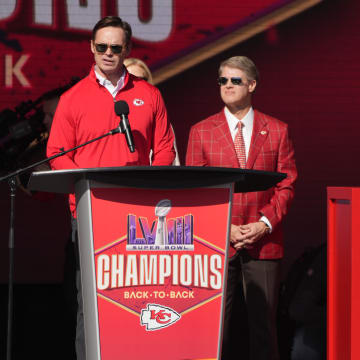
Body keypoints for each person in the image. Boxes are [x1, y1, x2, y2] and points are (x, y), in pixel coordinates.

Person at [46, 16, 176, 360]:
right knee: (90, 304)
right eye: (101, 46)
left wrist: (148, 191)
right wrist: (89, 189)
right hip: (89, 215)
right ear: (91, 47)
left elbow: (164, 150)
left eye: (115, 47)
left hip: (139, 218)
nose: (108, 53)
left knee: (137, 299)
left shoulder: (149, 94)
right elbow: (57, 154)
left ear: (128, 50)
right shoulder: (73, 98)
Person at [185, 56, 297, 360]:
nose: (228, 86)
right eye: (223, 80)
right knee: (213, 328)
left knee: (263, 329)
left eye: (235, 80)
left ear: (252, 84)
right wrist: (224, 227)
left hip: (263, 242)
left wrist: (264, 224)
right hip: (217, 242)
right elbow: (196, 191)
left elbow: (286, 185)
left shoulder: (277, 129)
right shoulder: (201, 131)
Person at [124, 57, 181, 165]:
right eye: (130, 79)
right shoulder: (109, 117)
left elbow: (173, 162)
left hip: (150, 179)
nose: (137, 84)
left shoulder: (161, 120)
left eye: (142, 79)